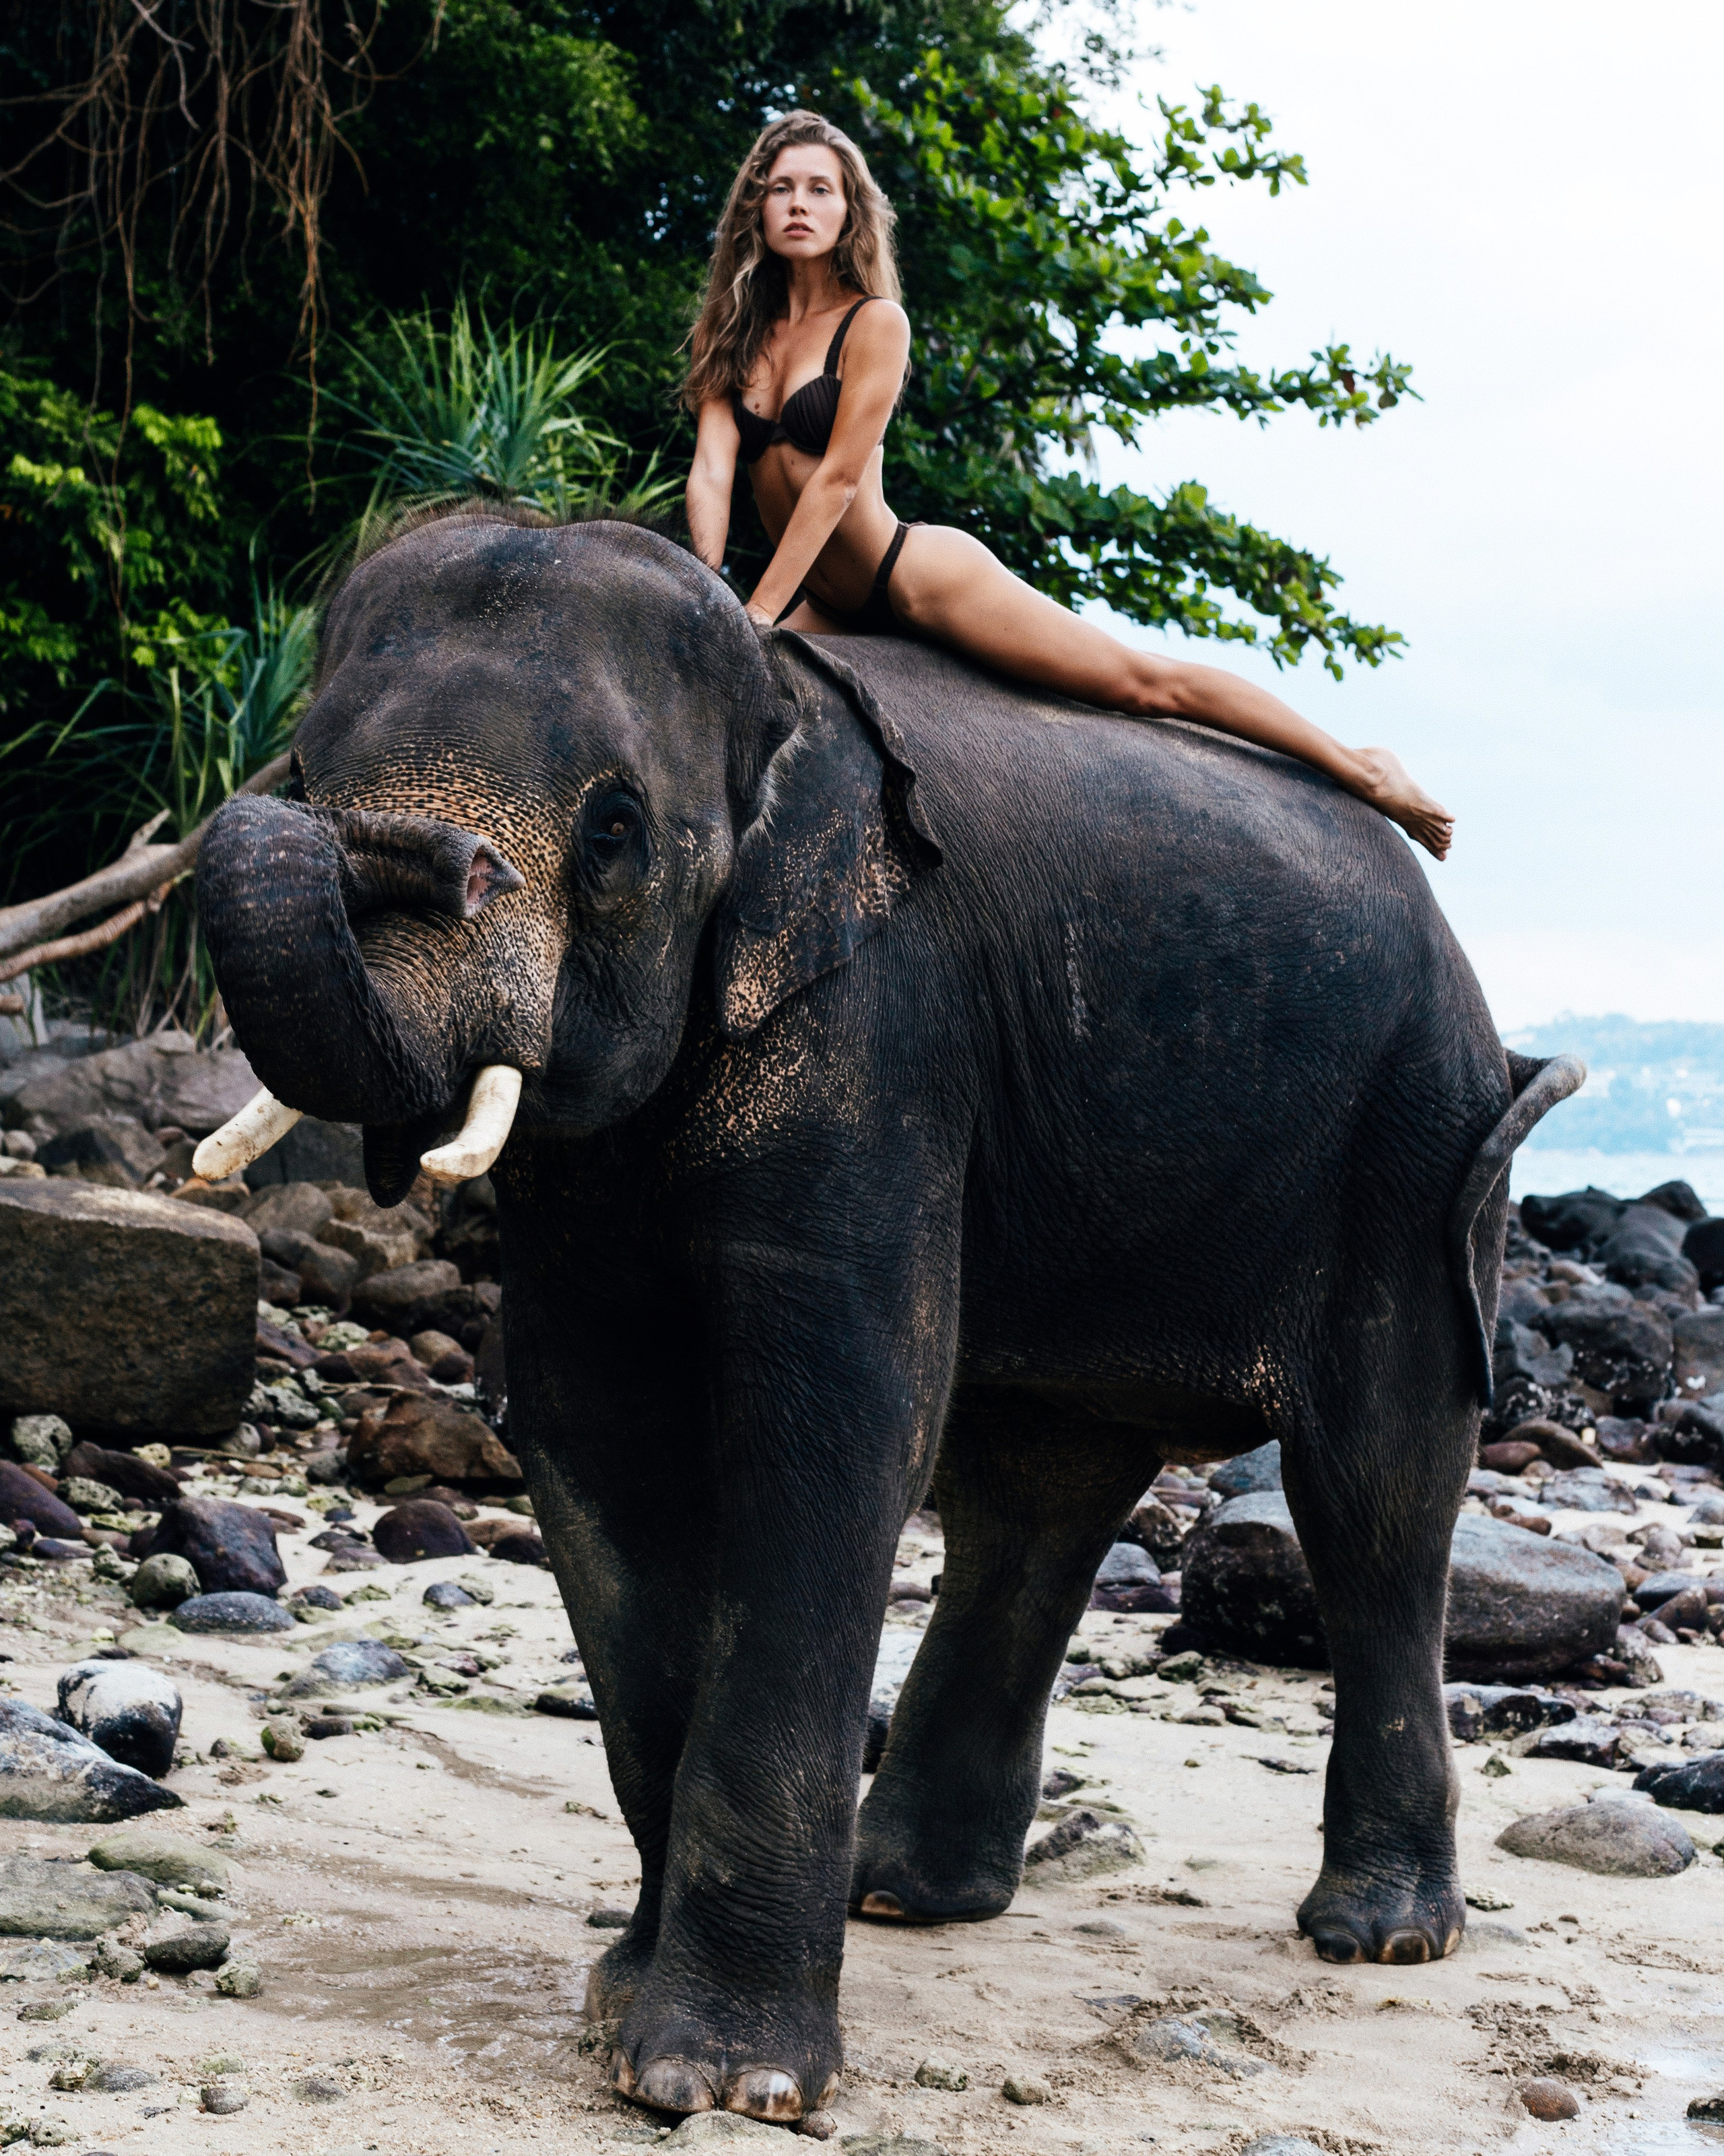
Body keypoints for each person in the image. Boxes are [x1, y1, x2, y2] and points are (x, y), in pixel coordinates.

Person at [683, 111, 1453, 860]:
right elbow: (714, 471)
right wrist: (707, 591)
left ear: (849, 210)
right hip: (827, 605)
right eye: (781, 188)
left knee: (1142, 685)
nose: (799, 205)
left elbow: (840, 481)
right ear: (756, 205)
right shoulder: (738, 337)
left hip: (910, 576)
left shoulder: (875, 323)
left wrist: (755, 617)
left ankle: (1363, 767)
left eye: (820, 189)